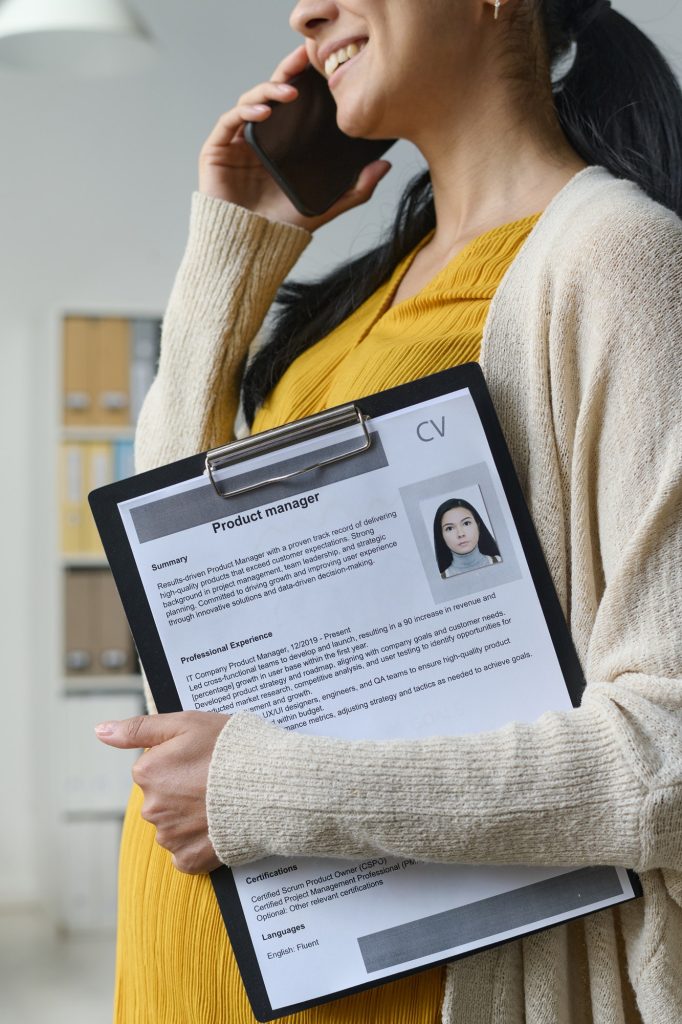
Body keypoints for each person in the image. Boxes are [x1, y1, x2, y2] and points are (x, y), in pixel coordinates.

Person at [95, 1, 682, 1022]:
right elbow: (177, 603)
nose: (303, 10)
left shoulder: (618, 262)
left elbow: (662, 754)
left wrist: (257, 795)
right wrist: (234, 253)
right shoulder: (370, 289)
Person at [433, 498, 501, 578]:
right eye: (450, 528)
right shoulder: (440, 579)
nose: (460, 534)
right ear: (442, 536)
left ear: (478, 526)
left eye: (466, 523)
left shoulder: (503, 561)